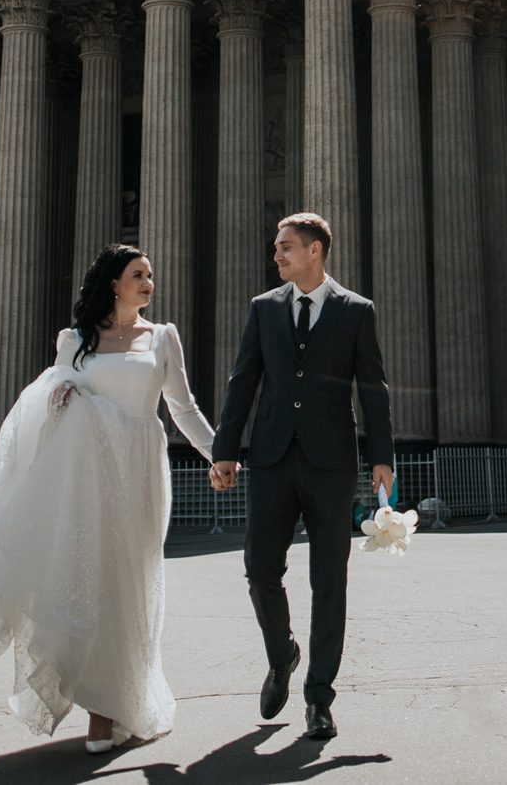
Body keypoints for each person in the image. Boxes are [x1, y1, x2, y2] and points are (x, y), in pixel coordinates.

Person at [0, 243, 216, 755]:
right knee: (90, 584)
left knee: (133, 584)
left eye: (150, 276)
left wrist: (220, 455)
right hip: (88, 479)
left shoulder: (163, 338)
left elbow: (182, 409)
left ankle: (124, 700)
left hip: (140, 471)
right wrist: (62, 399)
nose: (148, 283)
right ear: (113, 283)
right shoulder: (74, 340)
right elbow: (51, 403)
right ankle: (101, 710)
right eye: (138, 274)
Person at [207, 214, 394, 743]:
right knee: (259, 569)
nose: (277, 256)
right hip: (269, 456)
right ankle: (281, 654)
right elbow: (243, 379)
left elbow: (372, 385)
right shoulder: (264, 308)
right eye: (276, 249)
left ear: (316, 251)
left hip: (333, 460)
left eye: (286, 248)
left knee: (328, 581)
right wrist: (225, 450)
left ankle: (319, 698)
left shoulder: (356, 310)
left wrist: (383, 456)